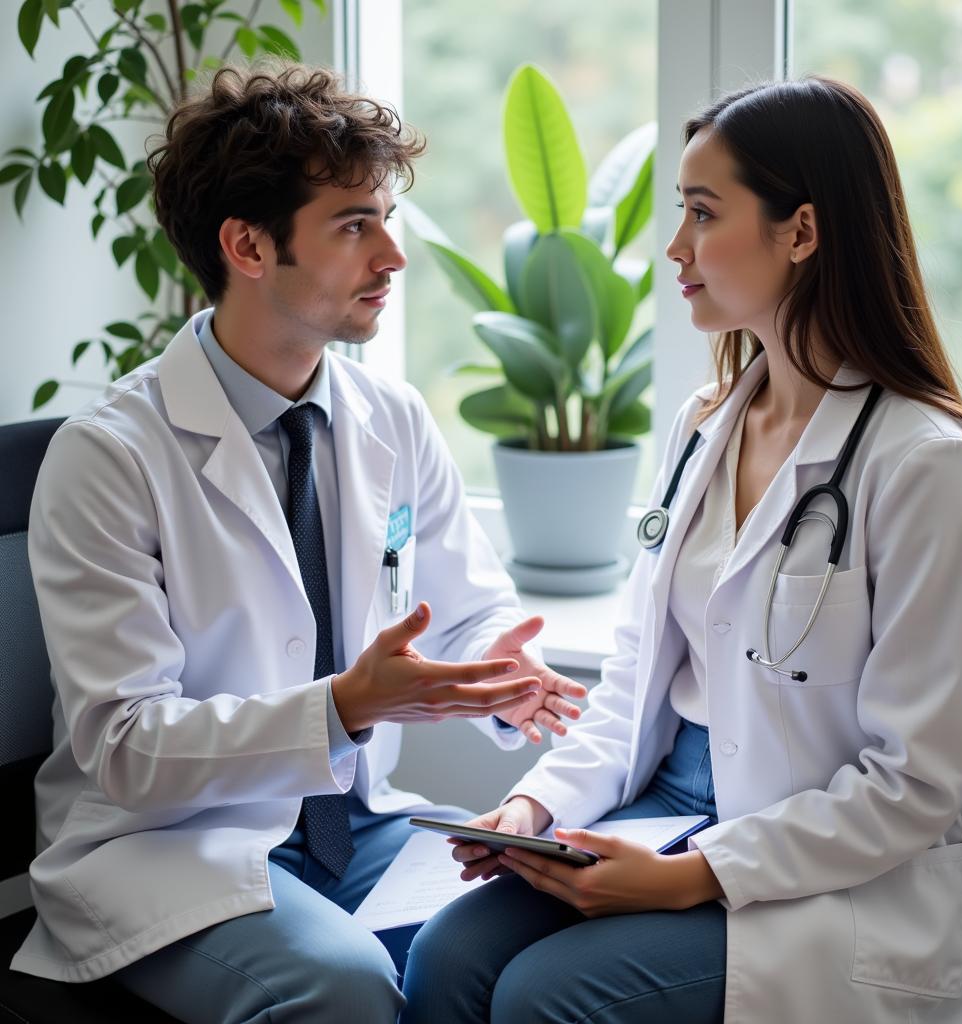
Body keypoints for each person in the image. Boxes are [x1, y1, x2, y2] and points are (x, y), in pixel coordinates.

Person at [401, 76, 962, 1024]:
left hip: (849, 868)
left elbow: (916, 784)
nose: (676, 248)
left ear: (802, 232)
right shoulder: (703, 427)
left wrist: (698, 875)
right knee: (447, 957)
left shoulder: (927, 465)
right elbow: (633, 683)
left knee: (545, 997)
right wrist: (532, 811)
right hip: (676, 797)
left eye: (702, 213)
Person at [10, 64, 587, 1024]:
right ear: (246, 245)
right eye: (355, 224)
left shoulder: (390, 418)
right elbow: (122, 747)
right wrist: (341, 709)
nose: (393, 256)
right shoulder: (109, 456)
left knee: (526, 946)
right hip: (166, 846)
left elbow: (464, 607)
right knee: (348, 989)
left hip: (357, 829)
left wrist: (497, 669)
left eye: (387, 219)